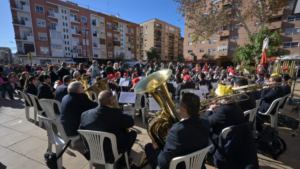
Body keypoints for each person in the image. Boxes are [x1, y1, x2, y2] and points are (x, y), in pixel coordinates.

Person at [145, 93, 210, 169]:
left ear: (183, 109)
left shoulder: (176, 131)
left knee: (149, 147)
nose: (179, 106)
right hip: (198, 164)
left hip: (179, 166)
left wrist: (156, 149)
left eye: (180, 104)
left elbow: (162, 162)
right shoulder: (206, 122)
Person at [80, 90, 136, 167]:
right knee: (133, 134)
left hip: (91, 151)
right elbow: (131, 123)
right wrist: (124, 114)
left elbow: (81, 133)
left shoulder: (85, 114)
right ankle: (122, 162)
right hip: (111, 153)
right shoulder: (116, 113)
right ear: (111, 102)